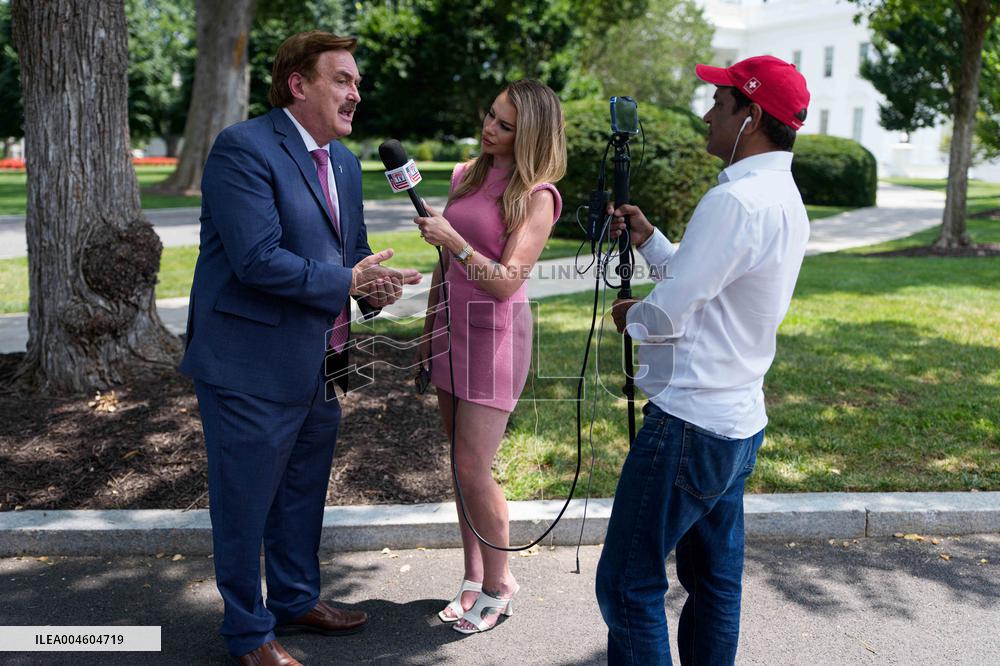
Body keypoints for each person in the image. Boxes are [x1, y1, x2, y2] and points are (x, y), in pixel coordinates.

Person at [179, 31, 421, 665]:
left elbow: (351, 250)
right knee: (245, 500)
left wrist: (373, 287)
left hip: (322, 358)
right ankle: (248, 633)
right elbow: (257, 260)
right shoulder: (244, 148)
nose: (356, 93)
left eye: (357, 83)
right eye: (343, 79)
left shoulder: (342, 162)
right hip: (246, 362)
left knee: (302, 491)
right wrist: (349, 280)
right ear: (299, 85)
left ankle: (295, 599)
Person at [594, 55, 812, 665]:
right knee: (714, 584)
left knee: (627, 583)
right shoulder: (782, 197)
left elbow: (669, 313)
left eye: (720, 103)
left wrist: (630, 318)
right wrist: (651, 240)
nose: (709, 114)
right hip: (736, 423)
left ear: (753, 116)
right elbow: (711, 279)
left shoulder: (738, 201)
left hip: (689, 424)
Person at [412, 79, 566, 634]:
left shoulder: (539, 196)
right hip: (450, 333)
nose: (490, 128)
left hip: (495, 338)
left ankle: (502, 585)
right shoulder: (465, 174)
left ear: (530, 136)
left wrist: (453, 240)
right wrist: (428, 332)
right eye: (491, 116)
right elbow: (444, 268)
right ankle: (473, 578)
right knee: (459, 465)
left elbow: (505, 283)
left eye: (504, 125)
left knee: (476, 467)